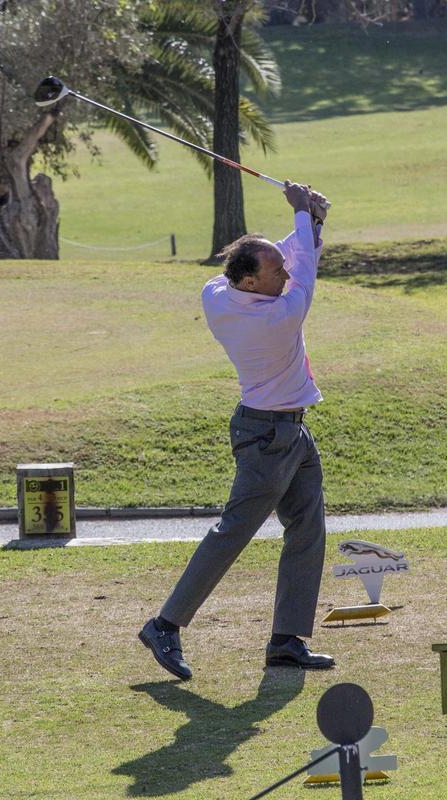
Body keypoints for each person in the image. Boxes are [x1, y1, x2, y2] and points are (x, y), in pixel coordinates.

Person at [138, 181, 334, 680]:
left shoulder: (218, 293)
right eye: (275, 273)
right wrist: (302, 216)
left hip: (290, 431)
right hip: (268, 438)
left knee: (307, 530)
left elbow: (288, 257)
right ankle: (164, 624)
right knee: (233, 533)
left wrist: (308, 223)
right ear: (251, 284)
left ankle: (287, 640)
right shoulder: (280, 316)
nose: (284, 273)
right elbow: (305, 269)